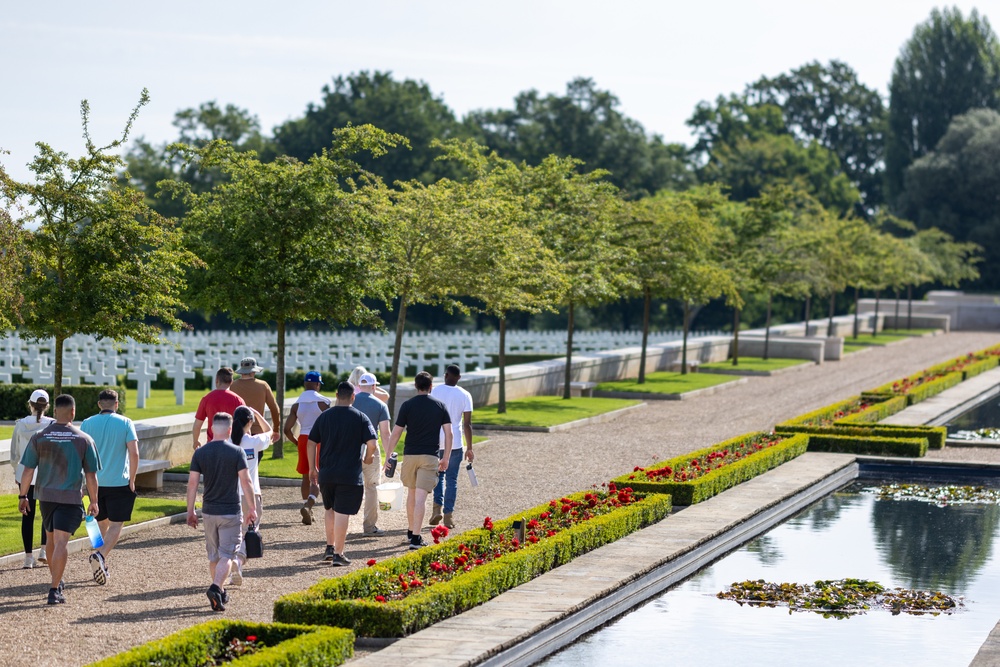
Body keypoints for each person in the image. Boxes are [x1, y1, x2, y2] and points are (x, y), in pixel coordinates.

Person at [17, 394, 101, 605]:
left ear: (55, 412)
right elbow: (91, 476)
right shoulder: (84, 439)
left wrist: (23, 495)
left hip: (45, 496)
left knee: (52, 539)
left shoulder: (40, 437)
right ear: (73, 412)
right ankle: (54, 589)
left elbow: (28, 470)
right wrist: (94, 500)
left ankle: (57, 579)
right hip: (70, 497)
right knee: (61, 541)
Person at [186, 413, 258, 612]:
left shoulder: (200, 453)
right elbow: (246, 481)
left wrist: (190, 510)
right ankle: (216, 587)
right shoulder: (236, 452)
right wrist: (252, 508)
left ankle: (220, 592)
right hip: (230, 511)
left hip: (208, 511)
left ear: (211, 429)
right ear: (229, 429)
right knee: (228, 554)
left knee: (214, 556)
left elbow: (192, 484)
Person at [307, 382, 377, 565]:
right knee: (342, 512)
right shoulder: (361, 417)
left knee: (329, 509)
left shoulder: (324, 417)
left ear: (337, 395)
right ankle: (339, 553)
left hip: (327, 472)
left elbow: (311, 442)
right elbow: (372, 444)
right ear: (353, 397)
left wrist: (312, 468)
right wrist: (368, 459)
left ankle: (329, 547)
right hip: (349, 474)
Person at [385, 372, 452, 549]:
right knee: (421, 498)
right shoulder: (440, 406)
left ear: (416, 386)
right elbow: (448, 433)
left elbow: (396, 432)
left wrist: (388, 456)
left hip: (410, 455)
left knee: (412, 495)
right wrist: (446, 458)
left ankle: (410, 531)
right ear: (431, 387)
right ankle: (416, 538)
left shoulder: (407, 405)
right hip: (430, 455)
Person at [79, 389, 138, 586]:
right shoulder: (126, 422)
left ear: (99, 404)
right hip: (119, 481)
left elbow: (82, 452)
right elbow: (134, 453)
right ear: (116, 404)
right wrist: (132, 478)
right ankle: (101, 555)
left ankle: (100, 559)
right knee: (116, 524)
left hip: (94, 481)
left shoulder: (87, 423)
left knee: (98, 523)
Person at [10, 389, 54, 569]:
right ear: (47, 406)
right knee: (46, 513)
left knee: (27, 516)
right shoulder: (52, 424)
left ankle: (28, 557)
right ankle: (44, 549)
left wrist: (16, 472)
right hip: (45, 474)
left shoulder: (20, 425)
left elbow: (14, 453)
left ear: (31, 404)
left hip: (24, 474)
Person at [230, 405, 271, 586]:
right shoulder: (253, 442)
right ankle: (238, 563)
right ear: (249, 422)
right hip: (251, 494)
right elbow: (270, 432)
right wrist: (258, 415)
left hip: (230, 495)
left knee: (233, 534)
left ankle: (232, 569)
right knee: (249, 533)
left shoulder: (228, 443)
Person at [283, 371, 331, 525]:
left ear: (305, 384)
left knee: (305, 476)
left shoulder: (297, 405)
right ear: (318, 384)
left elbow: (286, 430)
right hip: (319, 440)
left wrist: (297, 442)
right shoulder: (324, 402)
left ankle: (306, 504)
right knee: (318, 476)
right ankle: (309, 504)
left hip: (304, 438)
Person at [430, 365, 474, 529]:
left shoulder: (435, 391)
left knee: (438, 477)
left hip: (437, 440)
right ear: (459, 377)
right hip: (455, 443)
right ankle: (448, 516)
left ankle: (436, 510)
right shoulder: (465, 394)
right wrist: (469, 447)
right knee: (452, 480)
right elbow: (467, 424)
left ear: (446, 375)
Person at [353, 373, 390, 536]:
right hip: (371, 448)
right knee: (372, 487)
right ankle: (369, 526)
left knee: (348, 486)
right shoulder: (380, 405)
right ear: (374, 386)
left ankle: (341, 523)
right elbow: (385, 433)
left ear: (359, 386)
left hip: (350, 448)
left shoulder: (351, 400)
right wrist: (388, 456)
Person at [229, 357, 281, 444]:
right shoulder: (263, 385)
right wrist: (276, 429)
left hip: (237, 431)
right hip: (258, 432)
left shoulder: (232, 386)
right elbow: (274, 408)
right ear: (253, 371)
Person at [192, 368, 246, 448]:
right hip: (233, 445)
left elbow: (197, 424)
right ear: (231, 382)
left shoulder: (207, 399)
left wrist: (195, 441)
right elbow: (245, 424)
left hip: (212, 444)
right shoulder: (238, 400)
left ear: (216, 380)